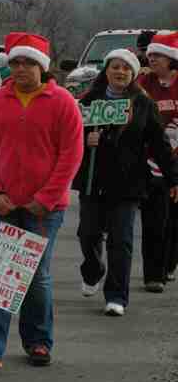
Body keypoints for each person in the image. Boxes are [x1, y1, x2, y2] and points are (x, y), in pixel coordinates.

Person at [0, 32, 83, 371]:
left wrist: (46, 198)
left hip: (44, 208)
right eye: (15, 63)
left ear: (42, 67)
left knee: (36, 275)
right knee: (1, 271)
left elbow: (71, 156)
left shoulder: (63, 102)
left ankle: (38, 341)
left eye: (28, 63)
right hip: (1, 204)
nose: (20, 69)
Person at [74, 50, 176, 317]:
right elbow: (68, 136)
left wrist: (173, 177)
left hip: (128, 183)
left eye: (126, 68)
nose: (120, 72)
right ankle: (93, 270)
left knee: (121, 240)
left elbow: (160, 144)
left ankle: (116, 296)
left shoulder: (143, 104)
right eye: (115, 67)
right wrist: (86, 139)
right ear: (106, 70)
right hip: (93, 180)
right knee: (88, 233)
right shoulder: (88, 101)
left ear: (133, 74)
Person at [136, 31, 178, 292]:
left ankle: (169, 262)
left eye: (158, 55)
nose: (151, 59)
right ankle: (153, 275)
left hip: (176, 159)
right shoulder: (143, 81)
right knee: (154, 219)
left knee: (173, 220)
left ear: (171, 59)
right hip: (151, 162)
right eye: (150, 55)